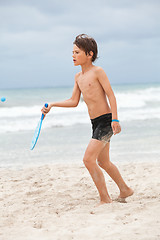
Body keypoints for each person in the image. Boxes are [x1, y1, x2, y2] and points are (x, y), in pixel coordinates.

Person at [42, 34, 134, 205]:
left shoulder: (98, 72)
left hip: (106, 121)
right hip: (95, 123)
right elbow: (74, 101)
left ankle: (105, 199)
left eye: (77, 52)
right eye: (72, 52)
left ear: (89, 54)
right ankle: (125, 189)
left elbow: (111, 96)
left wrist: (115, 119)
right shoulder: (78, 77)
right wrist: (53, 104)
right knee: (103, 161)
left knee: (88, 159)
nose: (73, 55)